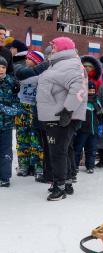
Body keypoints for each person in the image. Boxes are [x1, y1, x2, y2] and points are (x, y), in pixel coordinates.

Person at [36, 37, 87, 200]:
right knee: (64, 149)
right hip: (55, 114)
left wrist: (67, 110)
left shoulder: (70, 65)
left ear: (63, 48)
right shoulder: (60, 64)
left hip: (60, 115)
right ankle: (66, 181)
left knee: (58, 152)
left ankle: (60, 187)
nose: (51, 49)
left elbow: (79, 89)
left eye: (54, 46)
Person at [14, 51, 45, 180]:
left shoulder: (42, 75)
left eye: (30, 58)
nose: (26, 60)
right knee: (22, 136)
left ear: (37, 62)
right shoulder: (21, 72)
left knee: (36, 139)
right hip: (22, 107)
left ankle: (38, 165)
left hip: (35, 108)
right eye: (26, 58)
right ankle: (24, 164)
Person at [73, 81, 103, 174]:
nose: (91, 92)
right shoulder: (81, 100)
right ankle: (74, 166)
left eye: (93, 90)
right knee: (78, 148)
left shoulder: (96, 100)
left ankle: (90, 166)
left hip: (93, 130)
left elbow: (100, 113)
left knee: (91, 149)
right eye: (89, 90)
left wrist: (100, 125)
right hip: (82, 129)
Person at [0, 56, 20, 187]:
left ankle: (5, 177)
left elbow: (17, 106)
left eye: (3, 67)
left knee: (6, 151)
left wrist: (5, 109)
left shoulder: (11, 83)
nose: (1, 70)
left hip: (6, 124)